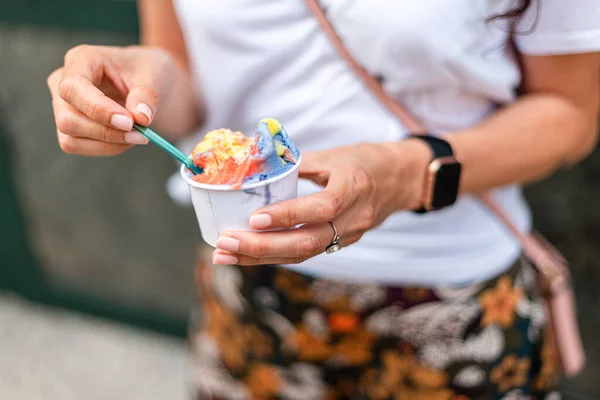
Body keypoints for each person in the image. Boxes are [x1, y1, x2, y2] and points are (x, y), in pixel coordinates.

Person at [47, 1, 600, 399]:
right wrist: (138, 91)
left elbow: (572, 112)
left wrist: (406, 173)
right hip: (248, 288)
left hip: (453, 302)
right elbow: (185, 73)